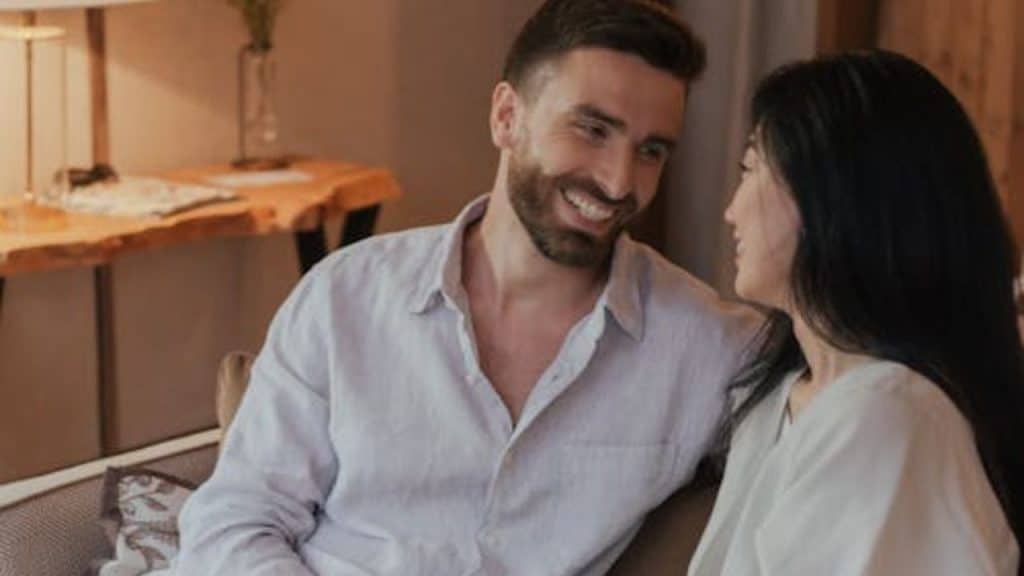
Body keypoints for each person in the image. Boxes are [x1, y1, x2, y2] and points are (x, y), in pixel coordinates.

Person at [175, 1, 757, 574]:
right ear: (507, 116)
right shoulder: (344, 297)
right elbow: (237, 520)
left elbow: (834, 431)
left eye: (650, 150)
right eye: (592, 129)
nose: (618, 180)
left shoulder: (708, 347)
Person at [689, 50, 1023, 575]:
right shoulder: (775, 400)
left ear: (830, 197)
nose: (732, 210)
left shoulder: (887, 413)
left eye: (751, 168)